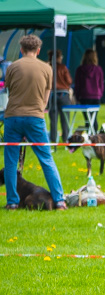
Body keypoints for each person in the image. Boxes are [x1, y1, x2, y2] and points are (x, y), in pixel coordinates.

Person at [3, 35, 66, 210]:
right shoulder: (47, 68)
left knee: (10, 161)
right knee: (46, 159)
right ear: (38, 50)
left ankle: (12, 202)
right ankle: (60, 200)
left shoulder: (12, 67)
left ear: (21, 50)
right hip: (35, 117)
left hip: (13, 116)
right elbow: (46, 99)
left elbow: (10, 91)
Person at [74, 49, 105, 132]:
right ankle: (94, 138)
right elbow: (101, 83)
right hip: (96, 96)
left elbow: (77, 85)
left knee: (87, 120)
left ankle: (90, 137)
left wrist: (77, 97)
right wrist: (100, 94)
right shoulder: (98, 69)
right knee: (94, 118)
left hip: (84, 96)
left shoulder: (79, 69)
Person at [47, 50, 73, 143]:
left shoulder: (48, 67)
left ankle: (53, 139)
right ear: (58, 57)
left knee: (53, 119)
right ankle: (65, 139)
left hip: (52, 94)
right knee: (65, 118)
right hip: (64, 94)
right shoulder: (63, 67)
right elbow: (69, 81)